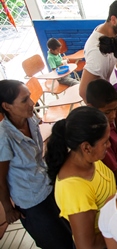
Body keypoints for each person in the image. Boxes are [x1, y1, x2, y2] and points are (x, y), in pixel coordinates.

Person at [0, 80, 74, 249]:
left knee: (67, 231)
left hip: (47, 183)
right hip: (31, 200)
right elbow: (0, 179)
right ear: (7, 106)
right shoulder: (4, 137)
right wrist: (8, 208)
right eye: (24, 100)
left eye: (30, 98)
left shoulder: (30, 119)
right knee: (54, 242)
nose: (32, 103)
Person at [45, 106, 117, 249]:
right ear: (86, 147)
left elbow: (106, 189)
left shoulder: (89, 159)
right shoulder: (74, 189)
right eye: (105, 141)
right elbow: (87, 245)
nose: (109, 145)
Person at [79, 0, 117, 102]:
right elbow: (84, 92)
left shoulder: (111, 32)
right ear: (113, 20)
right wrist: (106, 115)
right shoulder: (97, 52)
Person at [86, 79, 117, 186]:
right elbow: (116, 176)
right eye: (108, 112)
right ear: (91, 107)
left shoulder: (106, 121)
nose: (113, 116)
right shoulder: (99, 136)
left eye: (115, 109)